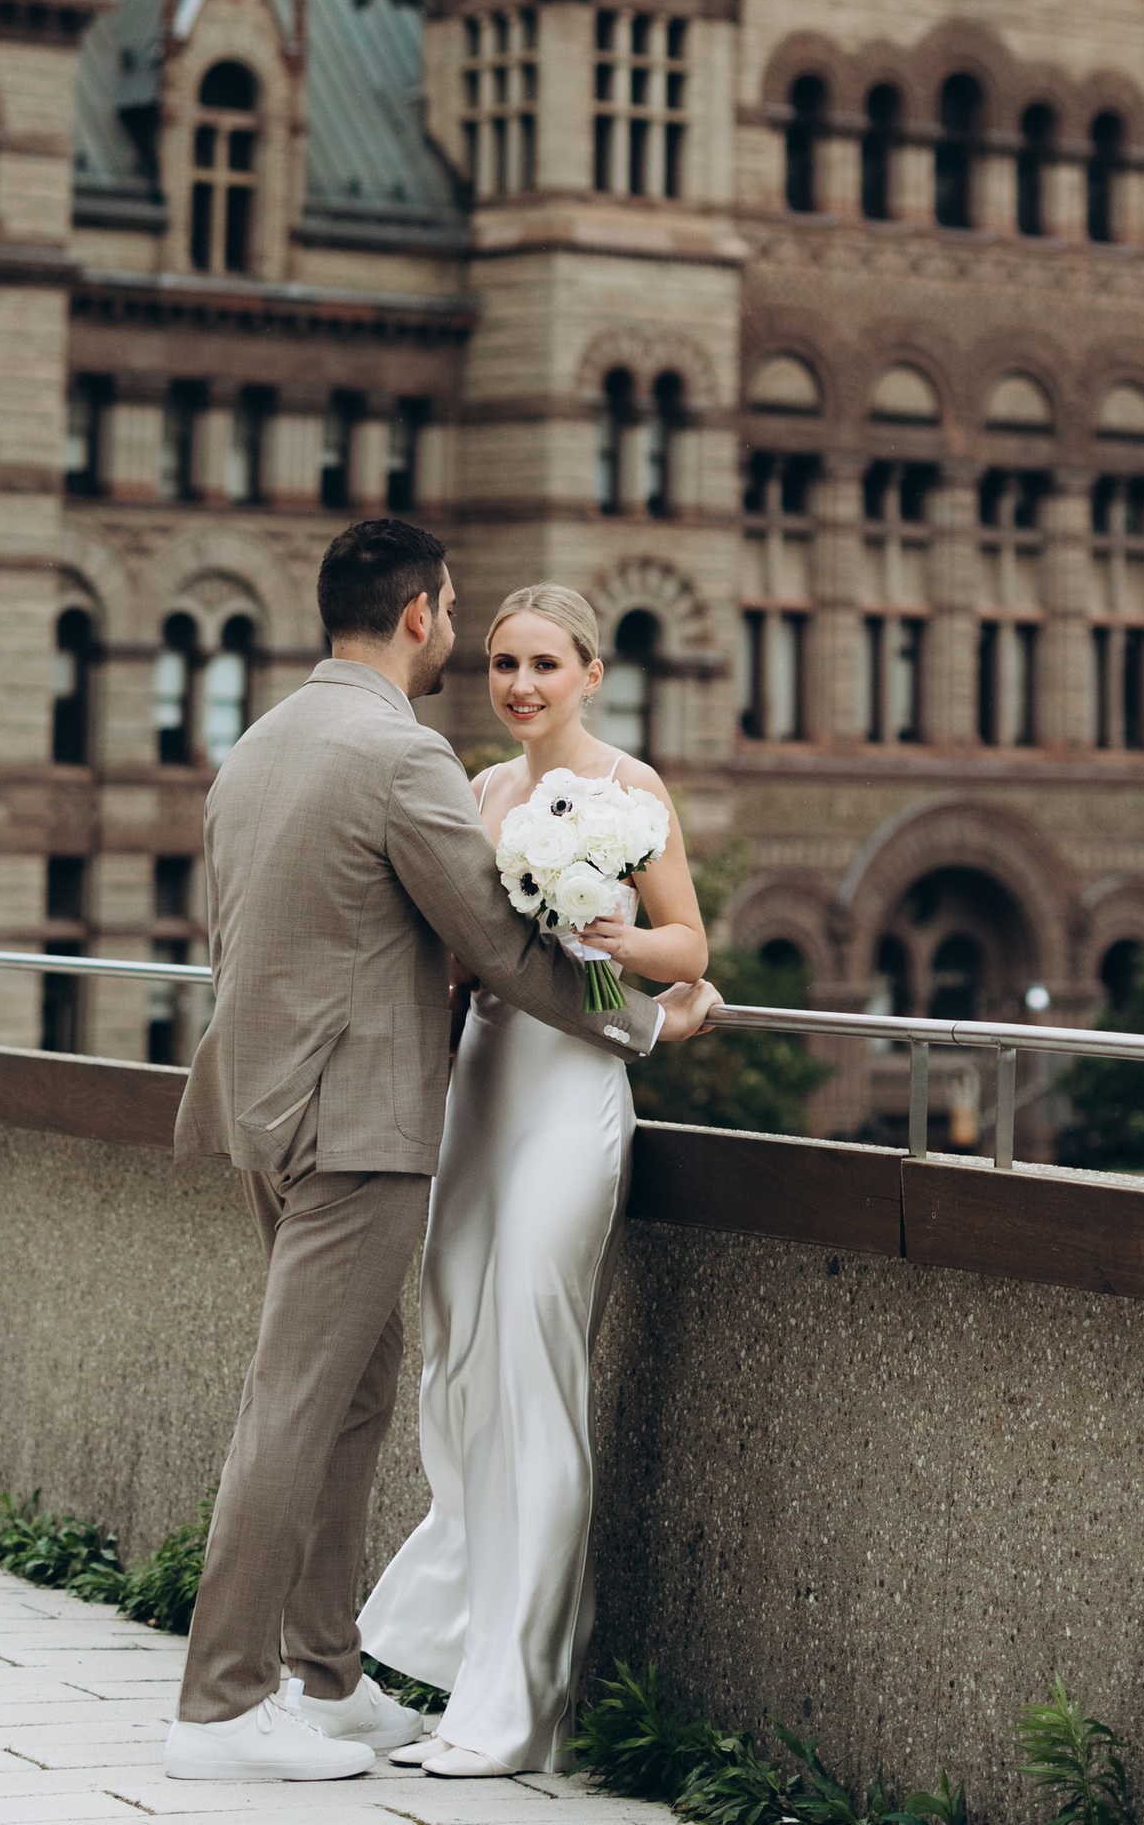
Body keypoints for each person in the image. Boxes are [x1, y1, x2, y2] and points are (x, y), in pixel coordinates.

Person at [162, 517, 721, 1788]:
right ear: (420, 616)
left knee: (358, 1391)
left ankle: (331, 1675)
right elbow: (498, 943)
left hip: (262, 1107)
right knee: (301, 1398)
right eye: (472, 628)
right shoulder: (402, 758)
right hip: (358, 1120)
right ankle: (219, 1701)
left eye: (541, 661)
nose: (497, 666)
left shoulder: (259, 743)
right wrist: (653, 1019)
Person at [361, 580, 709, 1779]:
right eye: (503, 663)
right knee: (456, 1362)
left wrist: (615, 948)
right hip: (480, 1088)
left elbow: (687, 951)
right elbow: (469, 963)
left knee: (533, 1366)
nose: (518, 686)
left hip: (568, 1100)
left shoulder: (633, 792)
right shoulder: (479, 792)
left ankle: (524, 1700)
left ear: (591, 675)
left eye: (544, 667)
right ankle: (460, 1657)